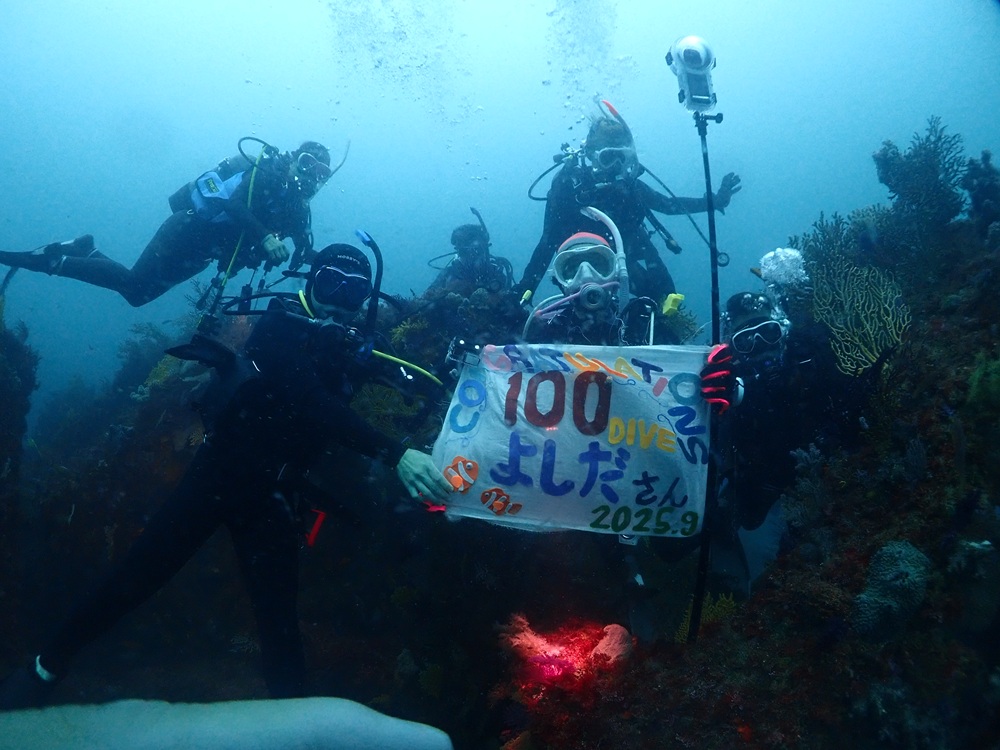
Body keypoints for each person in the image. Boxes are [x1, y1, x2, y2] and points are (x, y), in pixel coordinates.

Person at [0, 243, 453, 710]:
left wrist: (457, 372)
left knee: (279, 620)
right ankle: (43, 668)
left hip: (275, 496)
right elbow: (311, 401)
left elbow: (416, 382)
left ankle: (294, 726)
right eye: (330, 282)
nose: (340, 298)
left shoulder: (354, 345)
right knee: (134, 578)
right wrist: (395, 453)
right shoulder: (278, 325)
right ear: (310, 282)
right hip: (217, 477)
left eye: (355, 290)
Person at [0, 140, 335, 307]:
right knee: (133, 284)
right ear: (293, 159)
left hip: (204, 252)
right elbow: (232, 204)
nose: (310, 176)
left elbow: (304, 252)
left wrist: (341, 275)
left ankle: (85, 249)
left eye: (320, 172)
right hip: (187, 230)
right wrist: (264, 238)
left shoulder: (298, 211)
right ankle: (51, 261)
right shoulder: (267, 174)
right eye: (307, 163)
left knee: (137, 296)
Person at [517, 103, 742, 313]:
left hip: (627, 260)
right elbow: (547, 243)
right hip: (577, 268)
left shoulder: (630, 188)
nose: (615, 166)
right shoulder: (568, 186)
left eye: (621, 158)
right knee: (583, 312)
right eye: (607, 158)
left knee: (664, 303)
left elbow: (670, 205)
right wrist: (523, 292)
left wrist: (717, 200)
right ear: (591, 156)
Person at [423, 221, 514, 299]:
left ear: (485, 250)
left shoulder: (496, 275)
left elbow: (510, 310)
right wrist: (446, 293)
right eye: (463, 253)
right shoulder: (447, 274)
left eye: (477, 252)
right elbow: (427, 298)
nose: (473, 258)